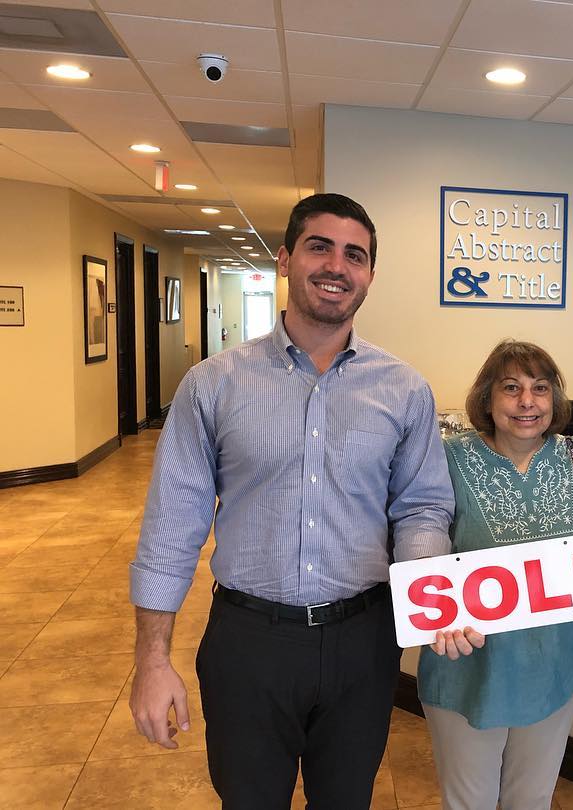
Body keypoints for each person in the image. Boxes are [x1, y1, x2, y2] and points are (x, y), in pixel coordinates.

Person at [128, 193, 469, 809]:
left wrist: (428, 585)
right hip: (249, 641)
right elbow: (172, 525)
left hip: (363, 643)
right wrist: (152, 660)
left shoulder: (403, 389)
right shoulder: (214, 384)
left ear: (369, 274)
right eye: (320, 246)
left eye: (355, 255)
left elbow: (421, 507)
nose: (336, 265)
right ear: (285, 259)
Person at [418, 340, 573, 810]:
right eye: (512, 388)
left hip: (553, 667)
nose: (527, 402)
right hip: (468, 669)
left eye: (540, 389)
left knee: (531, 798)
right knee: (469, 802)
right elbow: (416, 544)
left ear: (555, 400)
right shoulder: (447, 460)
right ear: (488, 398)